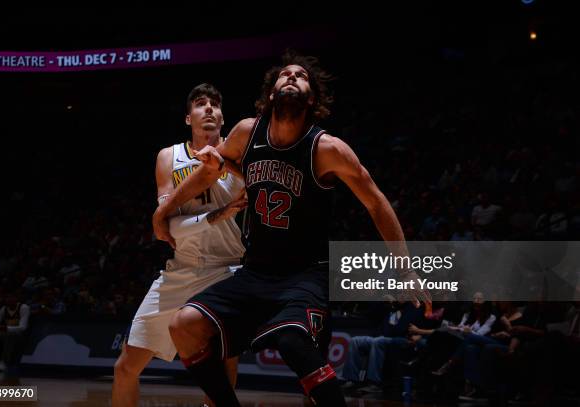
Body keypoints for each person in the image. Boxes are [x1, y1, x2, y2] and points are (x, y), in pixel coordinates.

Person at [153, 51, 429, 406]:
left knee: (291, 341)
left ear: (311, 97)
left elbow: (376, 202)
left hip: (306, 276)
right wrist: (165, 211)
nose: (293, 77)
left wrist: (405, 269)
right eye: (285, 74)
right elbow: (211, 169)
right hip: (255, 273)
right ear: (272, 93)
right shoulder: (246, 132)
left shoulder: (327, 148)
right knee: (184, 326)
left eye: (301, 76)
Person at [112, 84, 247, 407]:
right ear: (189, 118)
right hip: (181, 270)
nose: (209, 109)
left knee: (222, 365)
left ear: (224, 117)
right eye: (201, 104)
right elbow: (168, 224)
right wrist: (217, 215)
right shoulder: (168, 156)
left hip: (228, 270)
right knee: (125, 368)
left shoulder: (238, 154)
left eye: (215, 104)